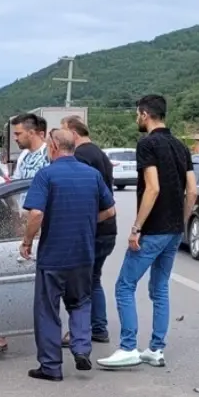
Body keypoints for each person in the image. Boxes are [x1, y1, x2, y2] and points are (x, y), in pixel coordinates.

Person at [98, 94, 197, 370]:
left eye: (136, 114)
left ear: (144, 114)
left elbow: (152, 188)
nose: (136, 119)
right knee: (160, 288)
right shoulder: (181, 146)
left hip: (152, 231)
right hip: (174, 230)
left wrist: (136, 227)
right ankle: (156, 349)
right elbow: (193, 191)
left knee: (124, 286)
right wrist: (181, 222)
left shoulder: (147, 144)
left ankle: (128, 347)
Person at [20, 128, 117, 381]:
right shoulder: (92, 175)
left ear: (52, 146)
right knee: (81, 302)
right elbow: (110, 211)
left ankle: (51, 367)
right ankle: (82, 348)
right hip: (84, 253)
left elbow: (36, 214)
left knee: (48, 309)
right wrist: (85, 222)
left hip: (53, 256)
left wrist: (27, 240)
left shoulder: (46, 175)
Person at [62, 114, 116, 345]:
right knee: (93, 279)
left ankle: (82, 329)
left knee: (82, 281)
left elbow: (81, 194)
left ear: (73, 133)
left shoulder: (81, 156)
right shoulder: (99, 153)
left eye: (63, 133)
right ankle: (98, 327)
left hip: (91, 228)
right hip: (106, 228)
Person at [11, 113, 49, 179]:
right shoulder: (23, 155)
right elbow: (16, 182)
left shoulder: (49, 154)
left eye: (18, 134)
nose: (15, 138)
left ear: (31, 133)